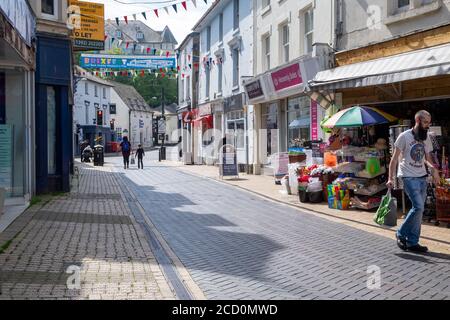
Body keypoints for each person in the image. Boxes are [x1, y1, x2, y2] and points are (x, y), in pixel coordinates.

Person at [387, 110, 440, 253]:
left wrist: (434, 171)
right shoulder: (404, 137)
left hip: (422, 176)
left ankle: (412, 242)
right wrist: (390, 178)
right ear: (417, 121)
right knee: (418, 207)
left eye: (429, 122)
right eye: (426, 122)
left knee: (419, 211)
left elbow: (427, 158)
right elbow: (393, 160)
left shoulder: (426, 137)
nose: (428, 125)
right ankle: (400, 233)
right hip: (408, 176)